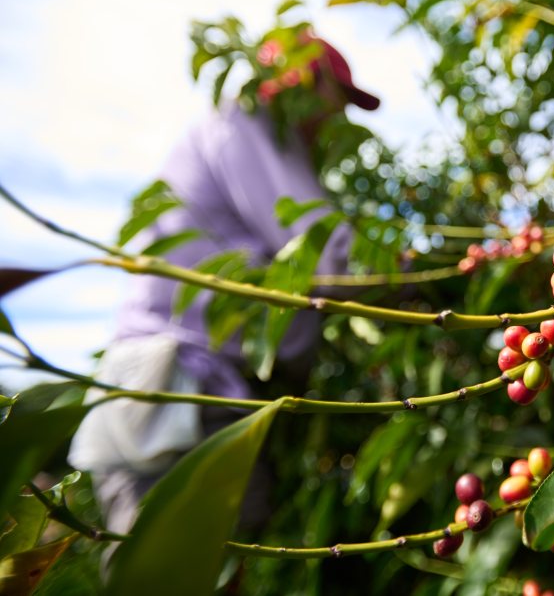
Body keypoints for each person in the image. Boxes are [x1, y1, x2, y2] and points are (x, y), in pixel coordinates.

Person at [68, 35, 380, 535]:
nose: (337, 118)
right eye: (335, 100)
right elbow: (329, 256)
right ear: (300, 83)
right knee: (173, 566)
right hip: (172, 397)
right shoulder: (250, 123)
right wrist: (412, 275)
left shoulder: (248, 138)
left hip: (196, 396)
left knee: (215, 560)